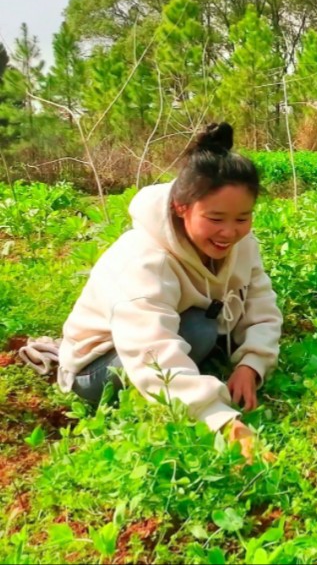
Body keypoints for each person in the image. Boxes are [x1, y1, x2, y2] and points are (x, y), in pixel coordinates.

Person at [56, 123, 282, 461]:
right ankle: (180, 396)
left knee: (201, 329)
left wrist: (252, 363)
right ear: (181, 207)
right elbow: (151, 352)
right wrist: (221, 420)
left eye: (242, 218)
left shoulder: (243, 243)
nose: (229, 233)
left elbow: (261, 304)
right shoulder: (144, 259)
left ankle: (190, 381)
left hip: (163, 337)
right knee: (200, 330)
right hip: (98, 367)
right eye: (215, 218)